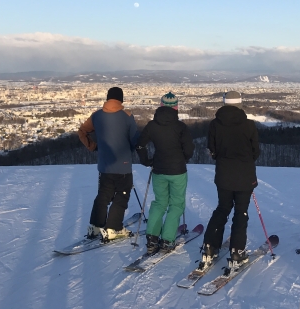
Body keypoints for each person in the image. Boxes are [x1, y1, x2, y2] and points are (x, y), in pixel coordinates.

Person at [201, 91, 260, 269]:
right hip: (244, 176)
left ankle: (210, 246)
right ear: (241, 104)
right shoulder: (249, 125)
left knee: (223, 208)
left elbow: (212, 149)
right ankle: (237, 252)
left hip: (224, 175)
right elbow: (255, 152)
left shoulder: (215, 125)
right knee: (241, 212)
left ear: (224, 103)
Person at [135, 92, 195, 255]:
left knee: (160, 202)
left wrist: (146, 161)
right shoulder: (181, 127)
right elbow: (189, 149)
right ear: (176, 107)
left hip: (159, 169)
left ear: (161, 106)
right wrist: (183, 159)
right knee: (176, 204)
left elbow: (140, 145)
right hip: (177, 171)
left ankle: (152, 239)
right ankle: (168, 239)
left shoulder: (152, 125)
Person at [78, 86, 139, 241]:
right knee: (121, 195)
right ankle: (113, 228)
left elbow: (82, 131)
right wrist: (130, 150)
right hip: (123, 165)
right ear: (121, 99)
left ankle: (96, 226)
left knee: (103, 195)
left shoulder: (97, 116)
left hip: (104, 165)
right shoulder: (127, 116)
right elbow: (135, 140)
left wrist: (92, 146)